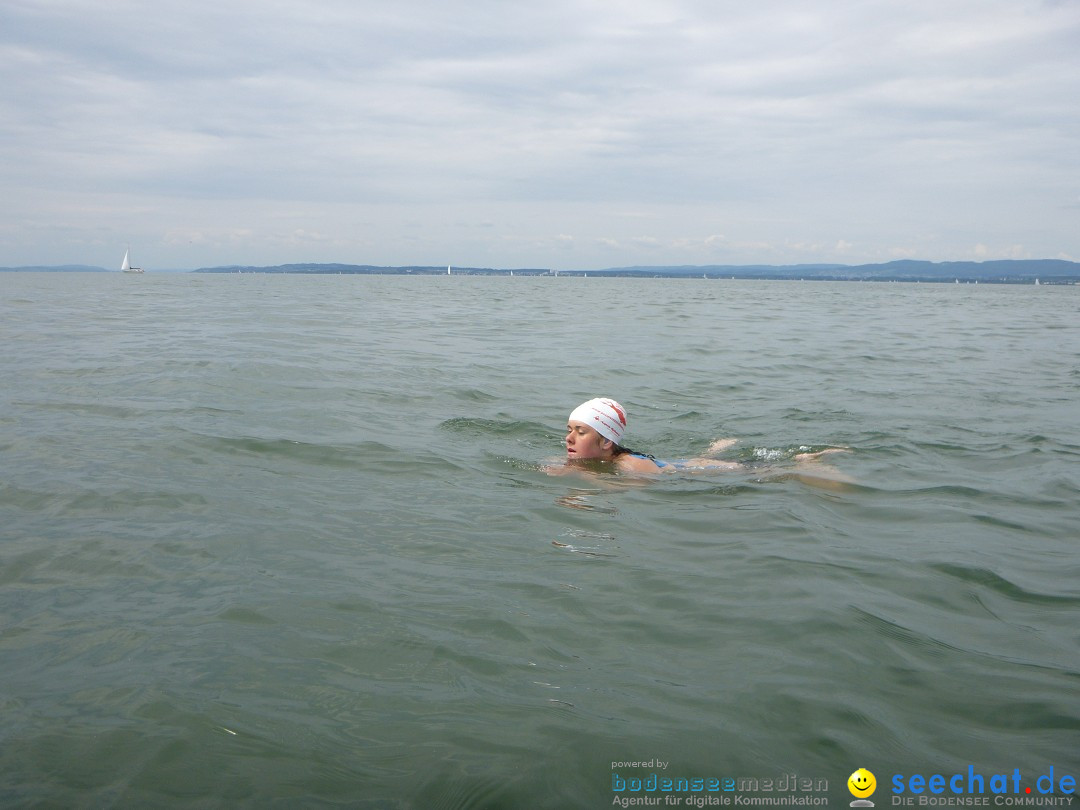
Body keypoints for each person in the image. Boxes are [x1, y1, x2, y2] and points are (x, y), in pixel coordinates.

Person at [564, 397, 844, 474]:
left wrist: (586, 476)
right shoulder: (600, 460)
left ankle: (803, 460)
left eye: (581, 431)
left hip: (703, 472)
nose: (569, 438)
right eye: (569, 430)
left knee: (764, 470)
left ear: (606, 441)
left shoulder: (630, 465)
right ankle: (715, 448)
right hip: (680, 463)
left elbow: (644, 484)